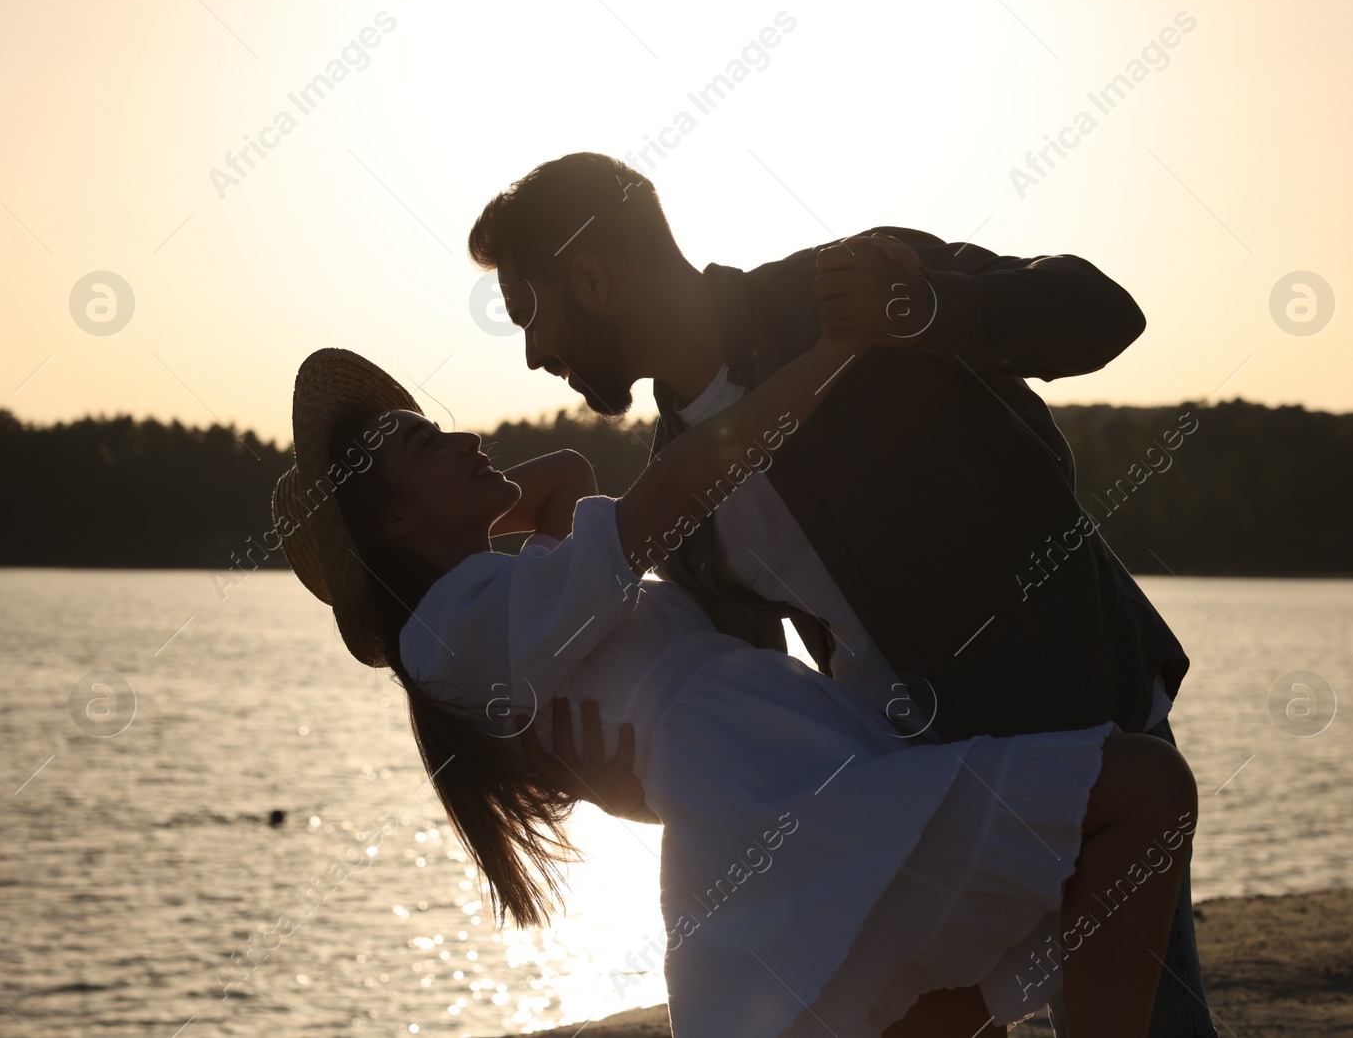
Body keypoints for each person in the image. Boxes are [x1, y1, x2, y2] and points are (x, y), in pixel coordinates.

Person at [467, 153, 1210, 1036]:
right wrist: (615, 777)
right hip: (921, 782)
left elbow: (1100, 311)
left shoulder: (843, 289)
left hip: (1086, 721)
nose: (532, 352)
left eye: (529, 313)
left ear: (591, 277)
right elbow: (752, 703)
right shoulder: (681, 490)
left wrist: (930, 308)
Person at [270, 341, 1198, 1037]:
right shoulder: (454, 628)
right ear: (393, 516)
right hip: (766, 787)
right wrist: (831, 355)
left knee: (940, 999)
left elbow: (565, 481)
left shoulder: (513, 605)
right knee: (1138, 800)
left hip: (783, 765)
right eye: (429, 445)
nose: (466, 437)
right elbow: (666, 490)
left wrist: (451, 508)